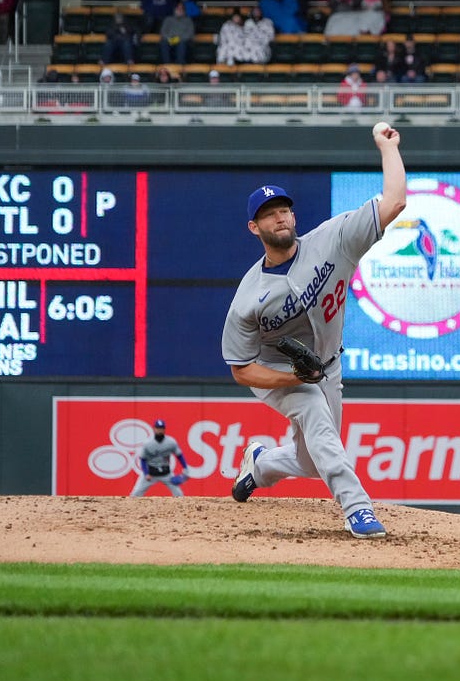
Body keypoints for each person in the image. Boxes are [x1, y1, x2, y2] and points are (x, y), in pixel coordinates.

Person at [223, 123, 407, 539]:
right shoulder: (248, 298)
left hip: (328, 364)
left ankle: (261, 463)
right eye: (269, 214)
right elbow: (241, 369)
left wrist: (388, 147)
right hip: (275, 372)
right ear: (255, 227)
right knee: (314, 417)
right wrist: (293, 379)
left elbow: (394, 202)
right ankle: (357, 508)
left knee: (310, 461)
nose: (280, 216)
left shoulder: (333, 240)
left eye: (284, 209)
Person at [129, 418, 190, 497]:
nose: (159, 430)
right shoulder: (148, 443)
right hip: (151, 473)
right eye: (158, 428)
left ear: (164, 429)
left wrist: (185, 468)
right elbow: (143, 459)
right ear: (154, 429)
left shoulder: (171, 442)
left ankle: (182, 509)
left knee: (179, 494)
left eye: (161, 428)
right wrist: (146, 473)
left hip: (166, 473)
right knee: (135, 494)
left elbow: (179, 455)